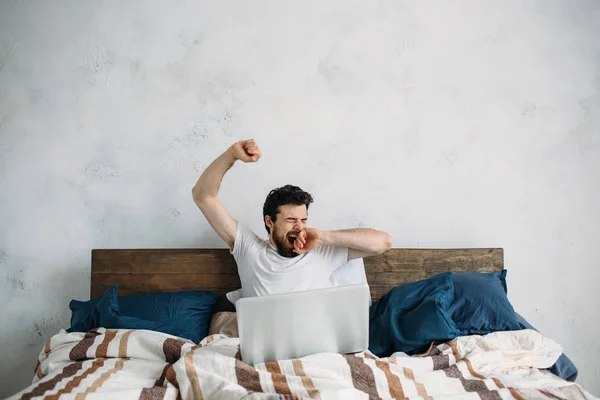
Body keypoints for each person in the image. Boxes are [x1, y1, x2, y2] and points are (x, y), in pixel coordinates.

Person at [192, 139, 392, 300]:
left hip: (316, 346)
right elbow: (203, 196)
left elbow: (383, 242)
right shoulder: (249, 249)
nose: (299, 227)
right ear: (270, 222)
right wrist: (231, 155)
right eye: (290, 219)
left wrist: (324, 237)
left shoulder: (322, 249)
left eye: (303, 220)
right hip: (267, 346)